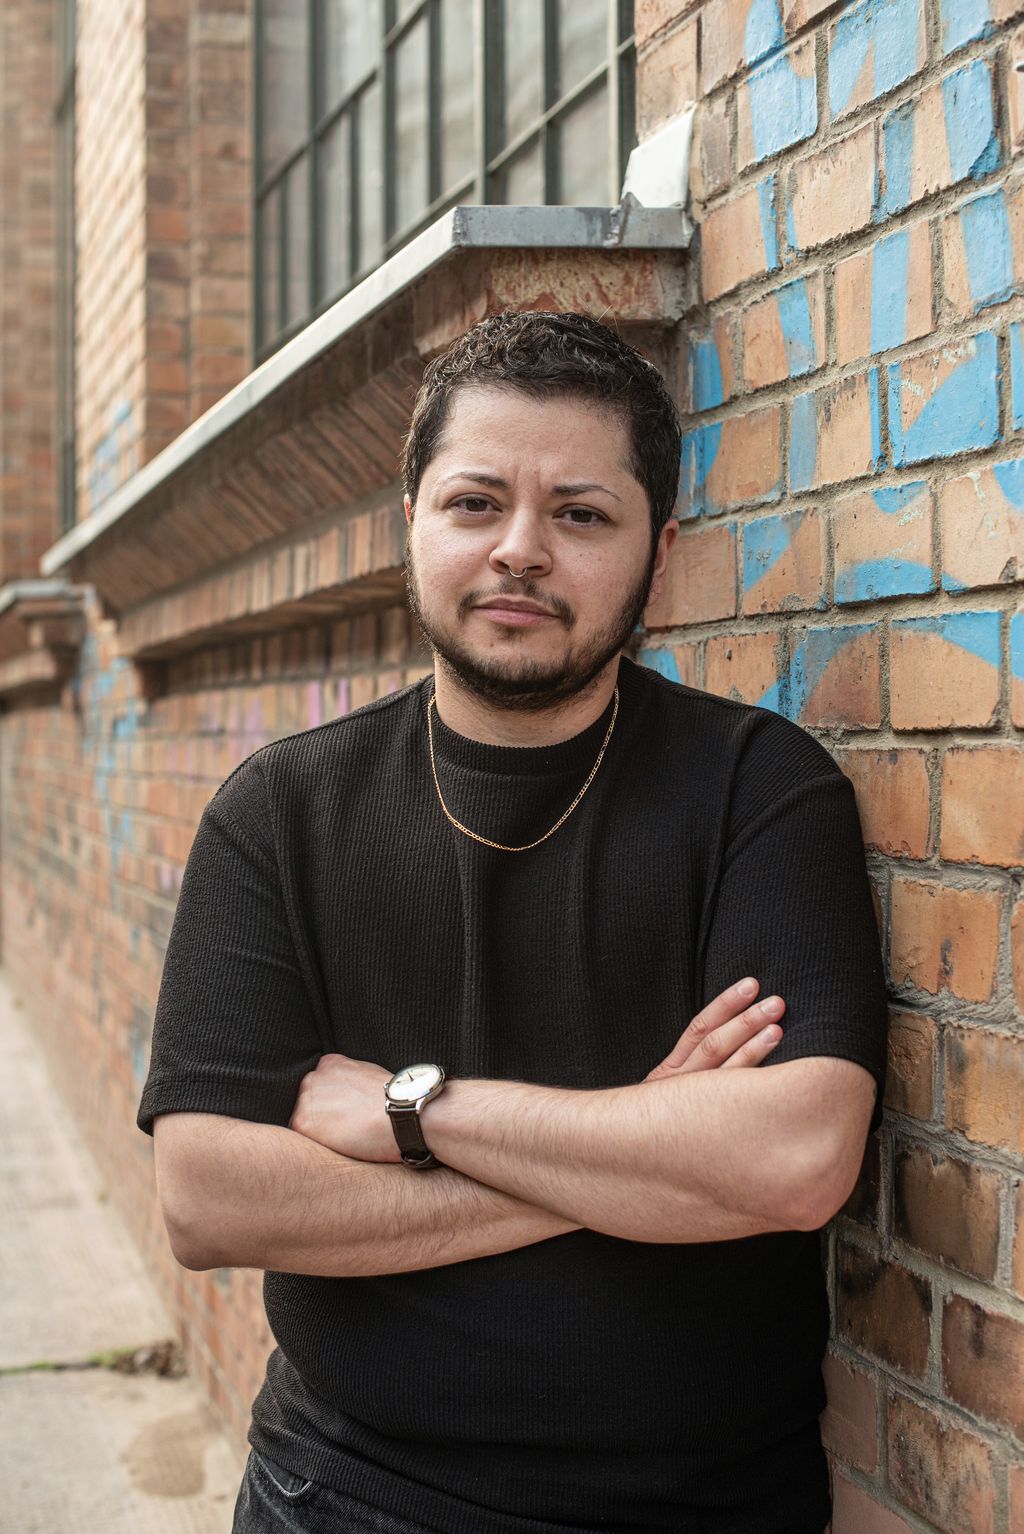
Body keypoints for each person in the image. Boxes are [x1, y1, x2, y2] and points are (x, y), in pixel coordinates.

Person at [140, 311, 887, 1534]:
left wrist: (417, 1112)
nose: (521, 550)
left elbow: (795, 1160)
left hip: (698, 1510)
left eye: (581, 514)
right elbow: (209, 1199)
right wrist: (641, 1146)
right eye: (475, 503)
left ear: (661, 552)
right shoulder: (281, 809)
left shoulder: (760, 790)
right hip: (349, 1496)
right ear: (412, 525)